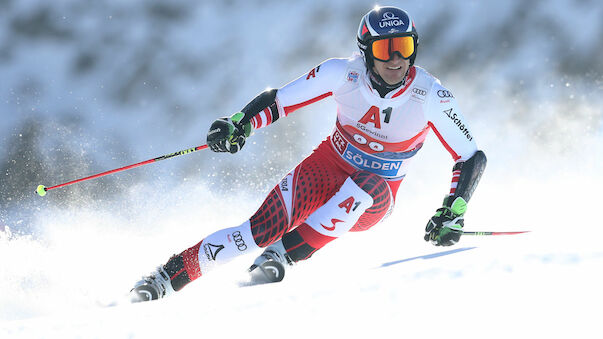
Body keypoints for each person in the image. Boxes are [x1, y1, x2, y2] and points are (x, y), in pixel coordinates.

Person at [131, 6, 487, 302]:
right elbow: (279, 100)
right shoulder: (342, 74)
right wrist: (239, 123)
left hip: (376, 197)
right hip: (325, 169)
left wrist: (453, 210)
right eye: (384, 49)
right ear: (366, 52)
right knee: (255, 231)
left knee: (368, 184)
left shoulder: (432, 96)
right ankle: (165, 278)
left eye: (404, 47)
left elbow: (471, 156)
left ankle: (285, 254)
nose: (396, 59)